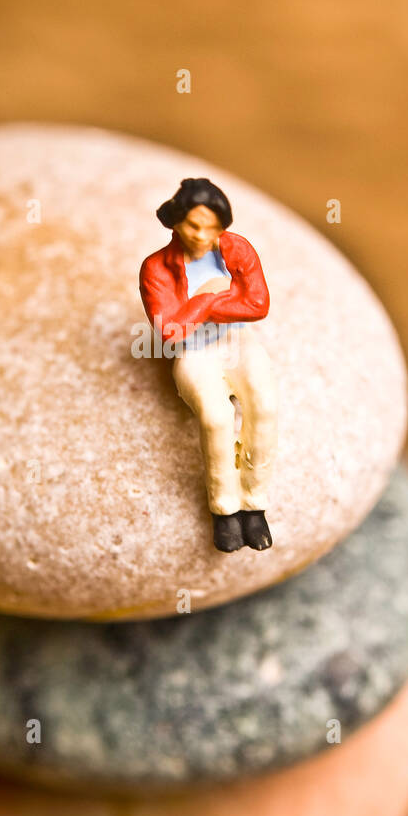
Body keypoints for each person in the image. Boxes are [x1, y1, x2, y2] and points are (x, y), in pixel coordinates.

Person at [139, 177, 277, 552]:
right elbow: (169, 330)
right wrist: (210, 303)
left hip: (238, 342)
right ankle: (225, 510)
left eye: (212, 227)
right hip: (192, 352)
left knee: (263, 407)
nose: (202, 235)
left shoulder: (238, 250)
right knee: (216, 417)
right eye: (193, 225)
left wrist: (199, 308)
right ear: (175, 222)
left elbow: (257, 305)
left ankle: (254, 504)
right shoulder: (156, 268)